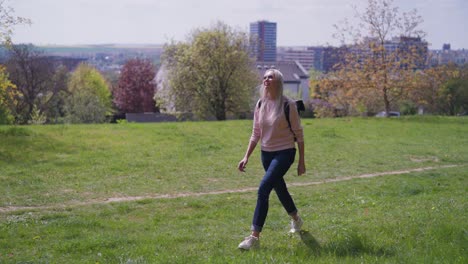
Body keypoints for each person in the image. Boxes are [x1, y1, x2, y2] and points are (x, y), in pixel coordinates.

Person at [237, 69, 306, 250]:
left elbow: (299, 134)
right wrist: (246, 157)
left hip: (285, 153)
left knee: (263, 189)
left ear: (279, 82)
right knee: (280, 189)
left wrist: (301, 161)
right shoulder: (260, 104)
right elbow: (256, 134)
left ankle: (254, 238)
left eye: (271, 77)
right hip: (266, 154)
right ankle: (296, 220)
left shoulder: (288, 105)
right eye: (265, 76)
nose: (266, 79)